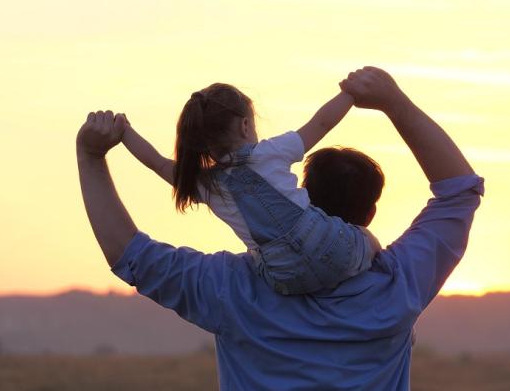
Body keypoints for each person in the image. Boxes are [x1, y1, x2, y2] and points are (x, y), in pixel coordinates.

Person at [76, 66, 484, 391]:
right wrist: (393, 101)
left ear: (303, 197)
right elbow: (460, 192)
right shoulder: (398, 287)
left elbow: (129, 254)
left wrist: (92, 156)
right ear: (370, 212)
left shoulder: (230, 290)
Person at [116, 84, 380, 295]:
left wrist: (124, 132)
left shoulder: (206, 185)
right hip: (333, 247)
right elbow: (322, 123)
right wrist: (350, 93)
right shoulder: (271, 151)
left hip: (285, 279)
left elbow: (158, 163)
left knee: (256, 260)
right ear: (245, 126)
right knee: (365, 239)